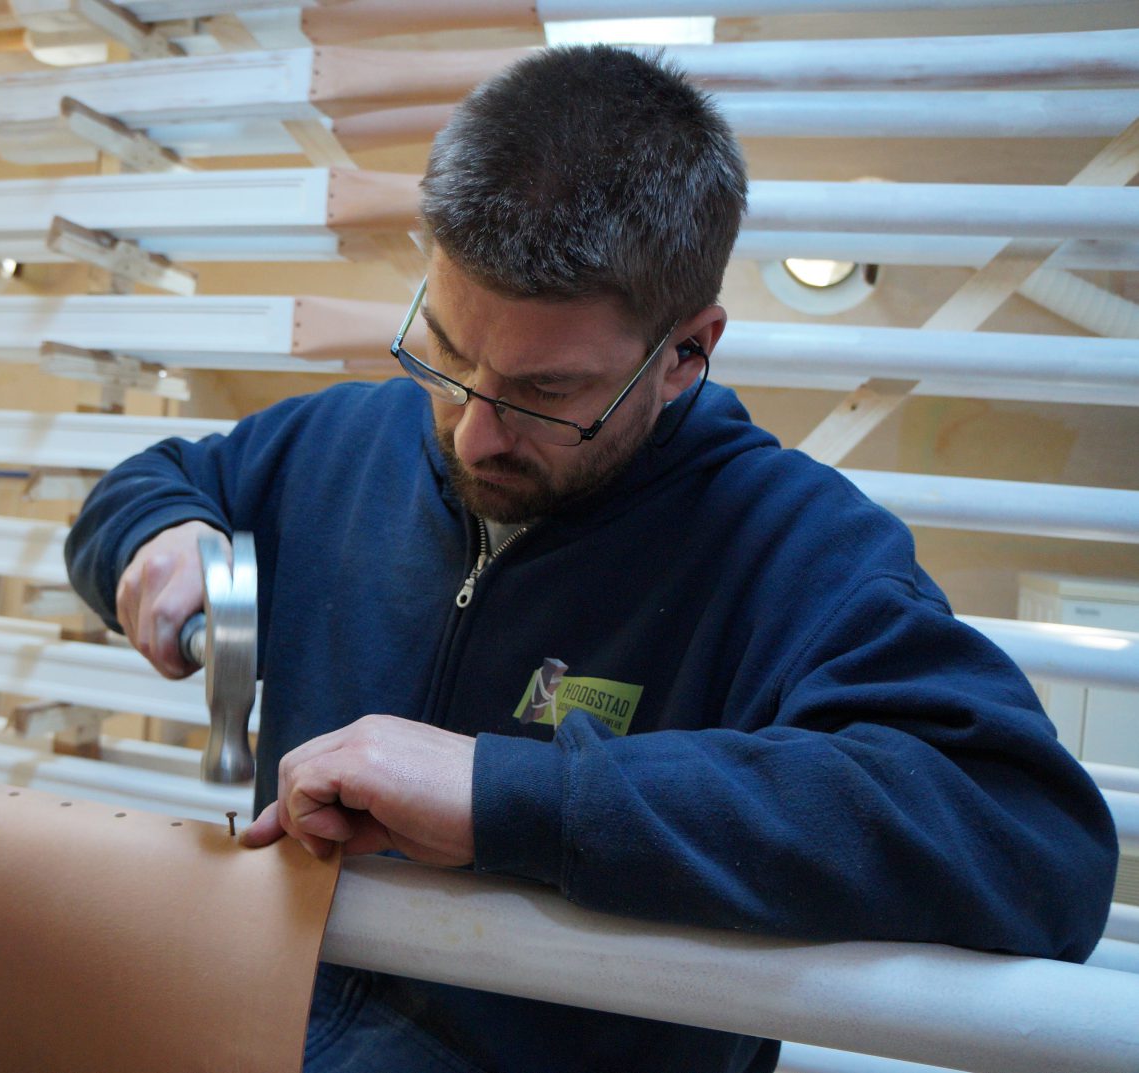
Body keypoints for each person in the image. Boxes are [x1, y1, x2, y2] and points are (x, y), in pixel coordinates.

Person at [65, 44, 1116, 1073]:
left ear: (686, 353)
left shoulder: (789, 544)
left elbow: (1032, 842)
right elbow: (154, 481)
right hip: (257, 1022)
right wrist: (155, 535)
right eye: (445, 351)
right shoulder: (342, 438)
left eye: (545, 392)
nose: (472, 431)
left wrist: (510, 794)